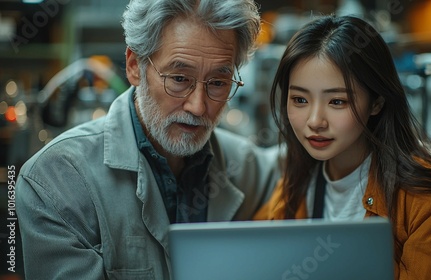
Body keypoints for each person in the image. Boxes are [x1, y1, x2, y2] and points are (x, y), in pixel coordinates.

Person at [16, 0, 281, 279]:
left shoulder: (248, 168)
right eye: (179, 78)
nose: (198, 106)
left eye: (217, 83)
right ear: (134, 66)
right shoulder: (56, 181)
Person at [254, 14, 431, 279]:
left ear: (376, 102)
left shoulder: (424, 200)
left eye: (337, 102)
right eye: (299, 100)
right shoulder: (296, 184)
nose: (315, 121)